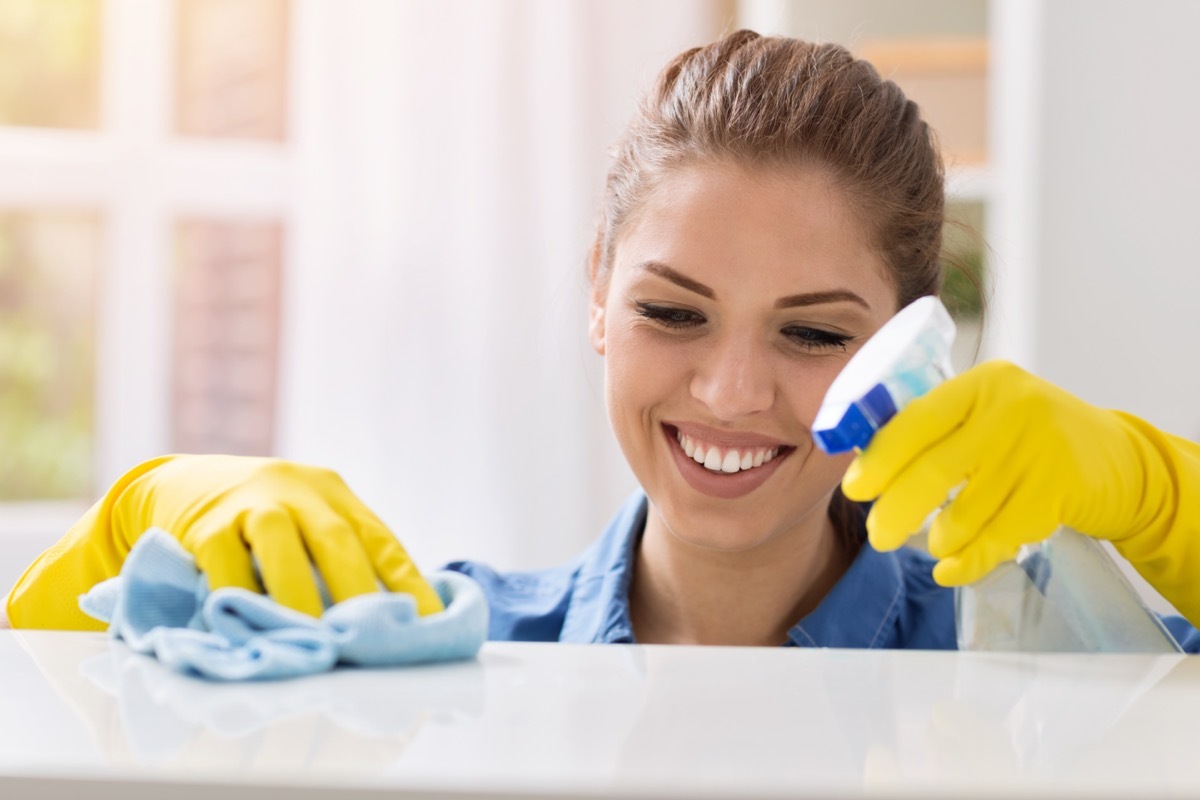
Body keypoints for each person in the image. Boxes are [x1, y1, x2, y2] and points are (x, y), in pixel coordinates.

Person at [6, 30, 1200, 649]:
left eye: (814, 333)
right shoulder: (457, 651)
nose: (731, 389)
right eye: (673, 311)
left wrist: (1158, 495)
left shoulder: (1031, 660)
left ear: (908, 339)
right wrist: (130, 522)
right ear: (595, 293)